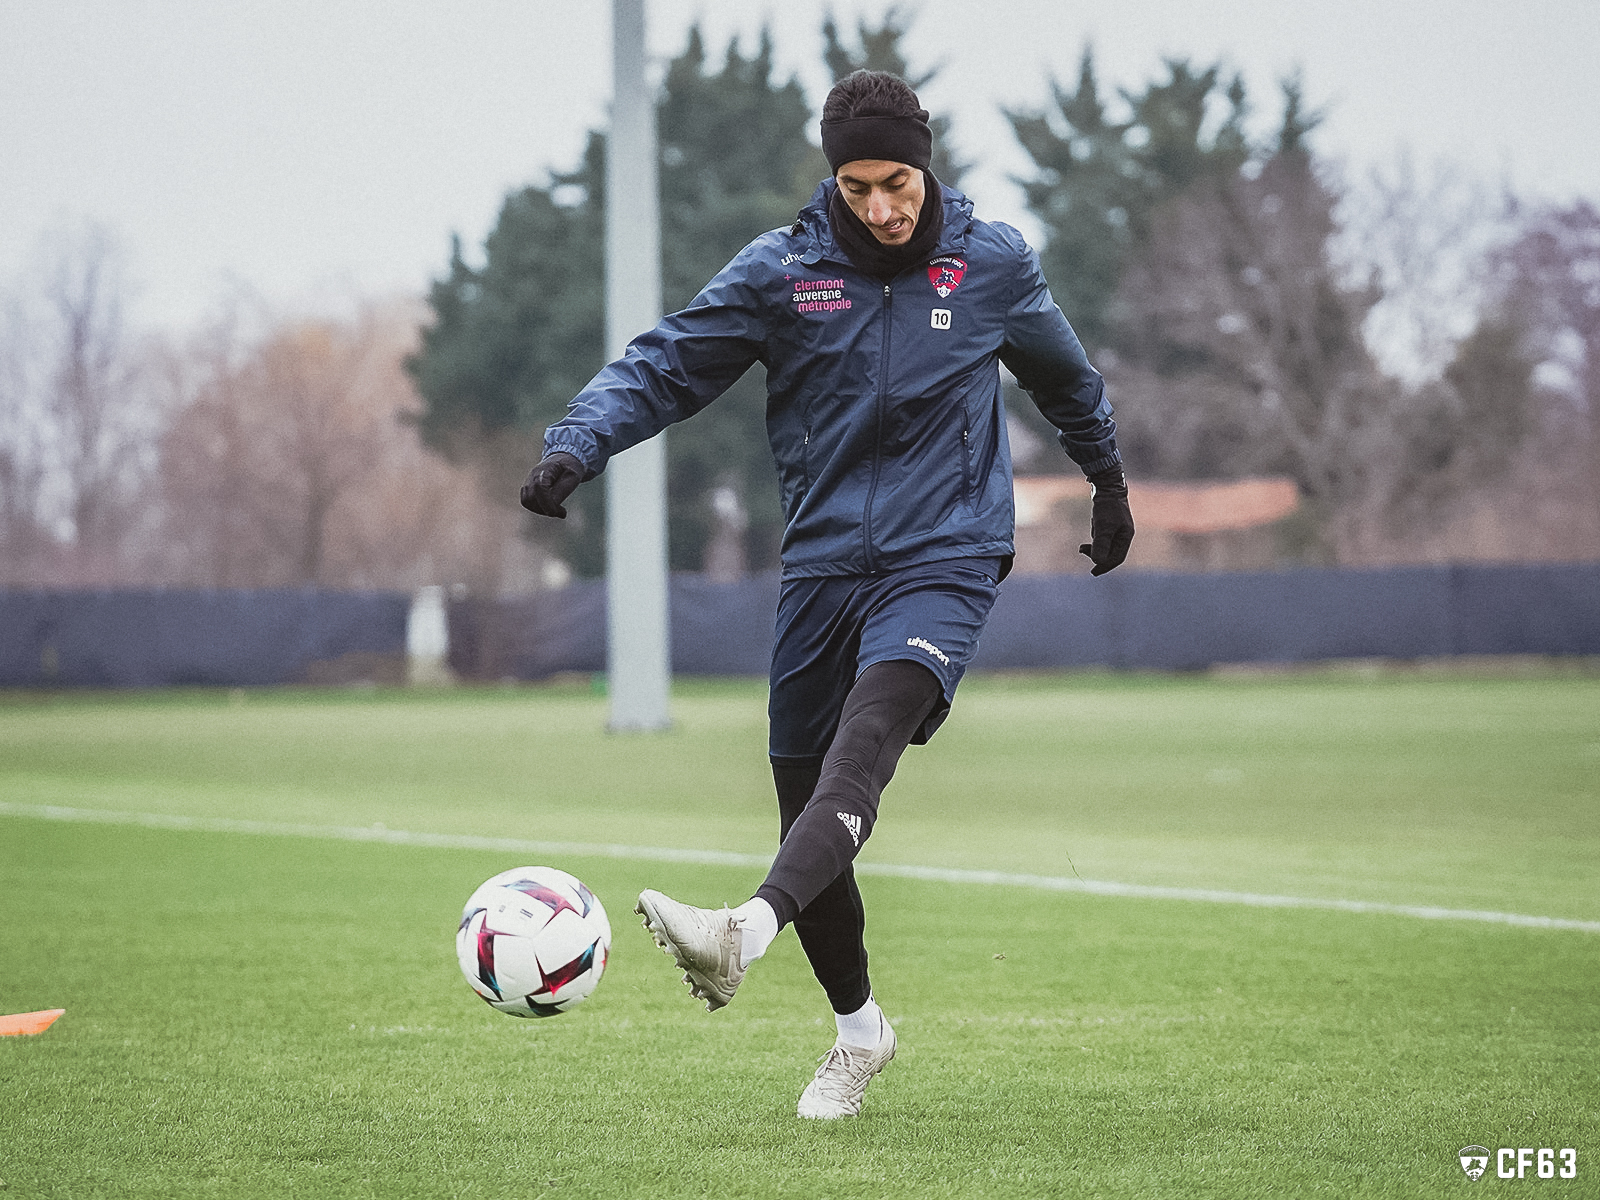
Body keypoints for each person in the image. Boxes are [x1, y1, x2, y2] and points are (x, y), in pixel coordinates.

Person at [520, 70, 1133, 1119]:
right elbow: (666, 364)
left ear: (925, 165)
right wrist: (579, 441)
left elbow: (1065, 380)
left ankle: (741, 932)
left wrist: (1108, 480)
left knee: (867, 743)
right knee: (805, 797)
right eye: (857, 188)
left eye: (896, 182)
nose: (882, 208)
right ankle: (860, 1036)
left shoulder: (989, 262)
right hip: (823, 566)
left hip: (946, 553)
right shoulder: (783, 272)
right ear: (833, 180)